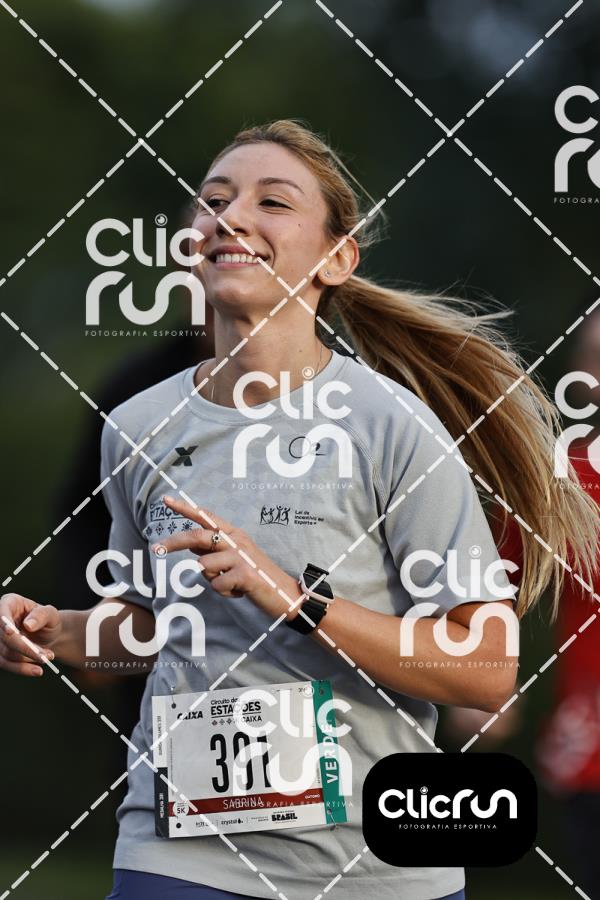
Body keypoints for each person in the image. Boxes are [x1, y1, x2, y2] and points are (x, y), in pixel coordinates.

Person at [0, 120, 597, 900]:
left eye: (272, 202)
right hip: (177, 855)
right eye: (215, 200)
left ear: (335, 259)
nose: (229, 216)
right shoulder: (137, 424)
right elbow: (154, 631)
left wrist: (294, 601)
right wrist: (58, 632)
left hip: (372, 871)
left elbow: (485, 669)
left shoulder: (393, 426)